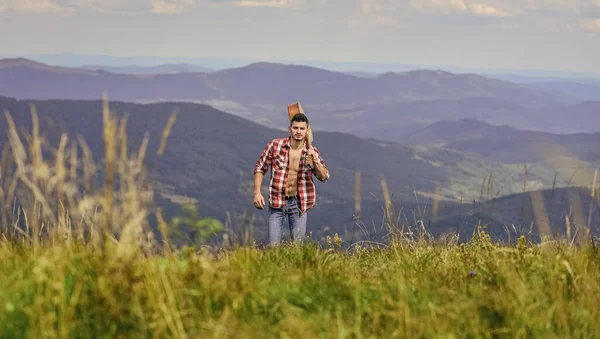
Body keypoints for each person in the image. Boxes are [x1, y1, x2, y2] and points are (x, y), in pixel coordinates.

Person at [253, 113, 330, 245]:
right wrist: (257, 192)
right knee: (273, 246)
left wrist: (316, 161)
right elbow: (260, 167)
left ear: (307, 130)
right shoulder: (275, 145)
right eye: (295, 128)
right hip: (277, 202)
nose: (298, 131)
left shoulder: (312, 152)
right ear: (290, 129)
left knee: (297, 247)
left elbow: (324, 177)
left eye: (302, 128)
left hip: (298, 204)